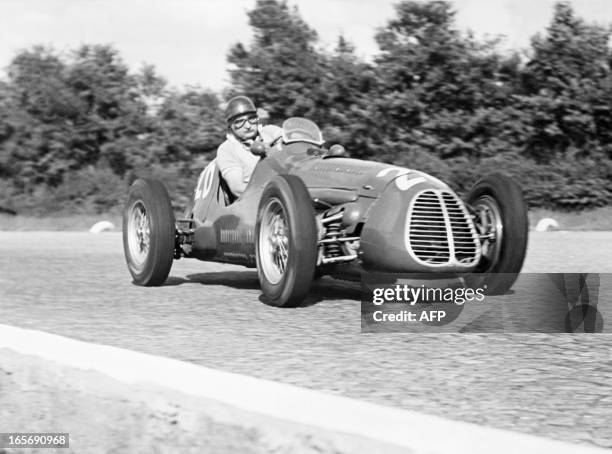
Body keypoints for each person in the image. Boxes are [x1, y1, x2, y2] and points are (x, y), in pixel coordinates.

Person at [216, 96, 281, 197]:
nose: (248, 126)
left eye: (251, 119)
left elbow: (293, 141)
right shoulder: (227, 149)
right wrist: (274, 191)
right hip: (257, 202)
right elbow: (237, 188)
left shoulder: (270, 131)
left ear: (257, 118)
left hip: (289, 188)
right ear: (230, 125)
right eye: (239, 122)